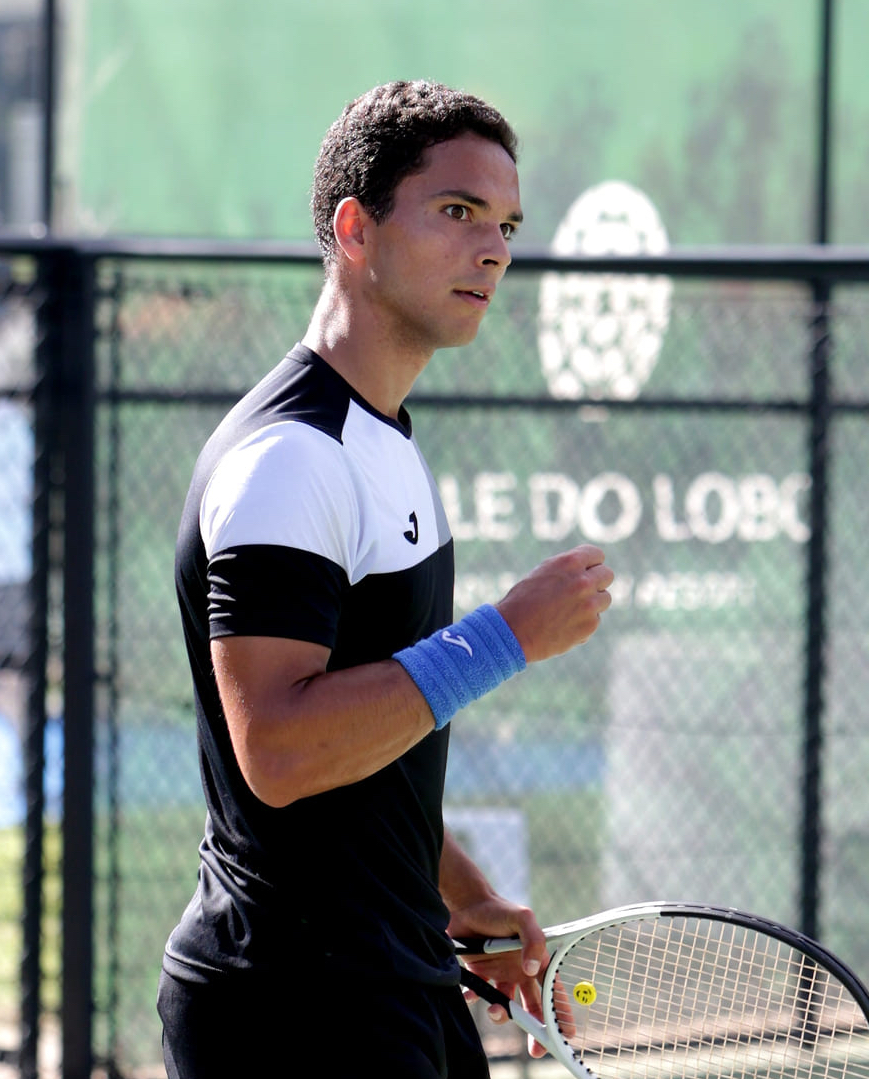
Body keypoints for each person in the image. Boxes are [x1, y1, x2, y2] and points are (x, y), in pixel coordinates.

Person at [160, 80, 614, 1077]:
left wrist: (452, 888)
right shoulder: (289, 460)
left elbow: (363, 753)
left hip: (393, 978)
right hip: (292, 1008)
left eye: (504, 224)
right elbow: (279, 747)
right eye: (456, 213)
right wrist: (506, 636)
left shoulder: (386, 441)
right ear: (354, 230)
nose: (492, 248)